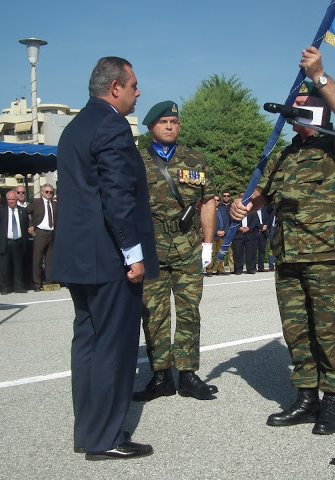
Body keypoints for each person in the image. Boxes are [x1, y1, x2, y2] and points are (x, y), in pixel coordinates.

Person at [231, 46, 335, 435]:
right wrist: (245, 206)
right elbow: (262, 194)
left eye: (301, 105)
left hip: (324, 254)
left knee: (328, 329)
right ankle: (306, 398)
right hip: (287, 254)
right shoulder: (285, 154)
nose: (293, 112)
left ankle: (332, 402)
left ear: (321, 110)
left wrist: (320, 75)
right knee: (297, 330)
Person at [50, 56, 158, 461]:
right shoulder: (112, 125)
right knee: (115, 346)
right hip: (110, 257)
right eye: (133, 85)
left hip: (79, 257)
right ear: (115, 87)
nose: (137, 91)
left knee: (88, 344)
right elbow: (117, 197)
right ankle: (107, 438)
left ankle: (90, 431)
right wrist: (133, 253)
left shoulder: (77, 126)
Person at [133, 100, 218, 402]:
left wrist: (208, 244)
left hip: (187, 248)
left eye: (174, 121)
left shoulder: (195, 160)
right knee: (153, 313)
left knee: (188, 312)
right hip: (150, 248)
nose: (170, 126)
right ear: (150, 127)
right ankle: (160, 376)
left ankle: (188, 375)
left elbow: (208, 201)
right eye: (163, 122)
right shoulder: (135, 160)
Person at [0, 190, 29, 294]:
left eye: (13, 199)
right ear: (6, 200)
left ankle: (18, 287)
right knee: (4, 267)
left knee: (18, 266)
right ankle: (5, 287)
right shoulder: (1, 211)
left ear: (17, 200)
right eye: (9, 199)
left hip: (18, 241)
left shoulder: (23, 211)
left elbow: (25, 225)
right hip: (5, 242)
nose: (11, 201)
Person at [27, 184, 56, 292]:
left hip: (52, 233)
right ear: (42, 192)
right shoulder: (36, 202)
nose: (49, 194)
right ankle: (37, 283)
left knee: (49, 259)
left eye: (51, 192)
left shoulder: (54, 204)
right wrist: (30, 224)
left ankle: (49, 281)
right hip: (40, 232)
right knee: (37, 259)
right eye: (47, 192)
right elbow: (25, 212)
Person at [232, 193, 258, 275]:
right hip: (238, 234)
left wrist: (249, 228)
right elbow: (232, 220)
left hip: (249, 234)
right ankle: (238, 269)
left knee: (250, 253)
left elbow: (255, 221)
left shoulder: (252, 209)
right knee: (238, 253)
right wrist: (239, 228)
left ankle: (250, 269)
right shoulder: (236, 209)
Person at [205, 195, 228, 276]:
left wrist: (224, 231)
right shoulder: (208, 211)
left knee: (221, 253)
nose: (216, 202)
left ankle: (220, 270)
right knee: (211, 253)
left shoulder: (223, 210)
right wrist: (216, 232)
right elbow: (207, 224)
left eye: (218, 200)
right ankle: (209, 270)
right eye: (215, 200)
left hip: (222, 236)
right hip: (212, 236)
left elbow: (226, 222)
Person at [218, 191, 235, 273]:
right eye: (224, 196)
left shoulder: (232, 206)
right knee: (222, 251)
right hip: (222, 232)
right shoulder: (219, 207)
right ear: (222, 197)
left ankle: (232, 269)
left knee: (231, 252)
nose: (226, 197)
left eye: (228, 196)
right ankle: (221, 269)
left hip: (231, 232)